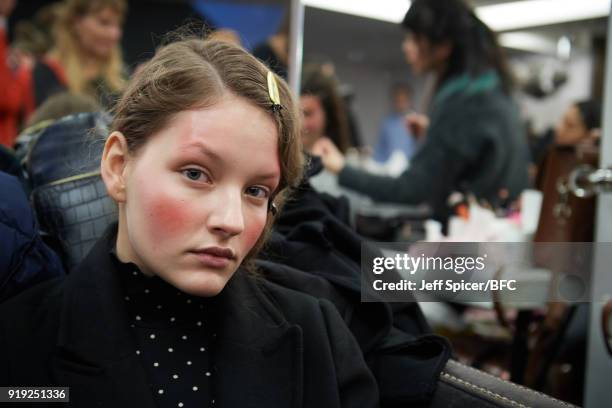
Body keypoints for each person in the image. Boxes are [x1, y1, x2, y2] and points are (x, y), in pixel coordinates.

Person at [0, 37, 379, 407]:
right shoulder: (18, 344)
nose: (230, 221)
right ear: (118, 167)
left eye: (256, 191)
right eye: (196, 174)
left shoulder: (318, 336)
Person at [313, 0, 529, 224]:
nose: (406, 47)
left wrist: (341, 168)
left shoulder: (463, 101)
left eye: (414, 39)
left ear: (443, 46)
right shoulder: (490, 90)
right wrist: (435, 134)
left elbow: (412, 189)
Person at [24, 0, 127, 109]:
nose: (115, 34)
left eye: (118, 25)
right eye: (104, 22)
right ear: (77, 22)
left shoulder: (122, 75)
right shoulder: (48, 73)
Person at [372, 83, 419, 163]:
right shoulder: (387, 124)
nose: (401, 104)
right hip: (390, 169)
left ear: (409, 101)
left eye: (403, 100)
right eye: (398, 101)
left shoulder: (417, 122)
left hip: (411, 168)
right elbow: (380, 152)